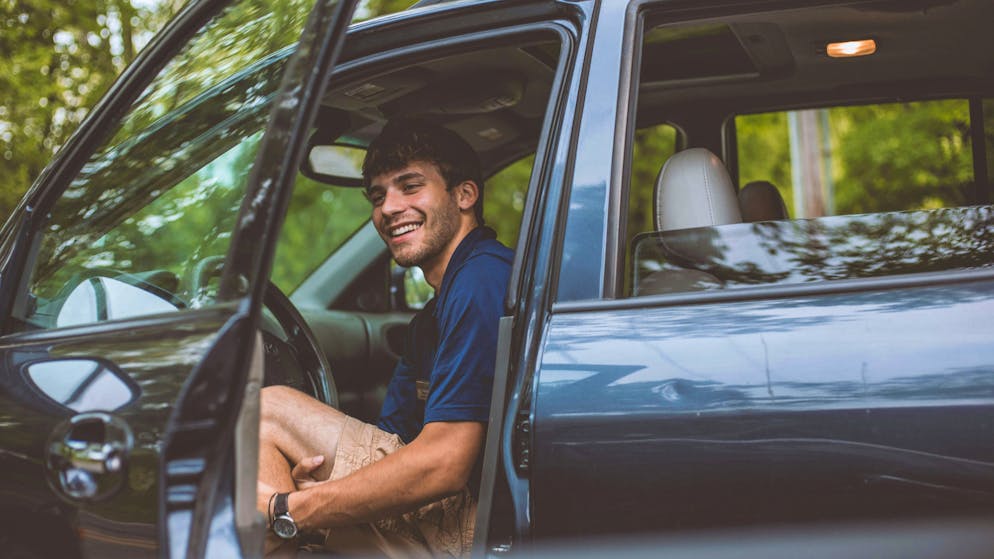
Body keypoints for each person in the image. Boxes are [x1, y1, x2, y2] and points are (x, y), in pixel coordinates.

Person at [257, 119, 513, 557]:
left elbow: (445, 464)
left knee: (263, 410)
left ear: (465, 195)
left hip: (484, 527)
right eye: (378, 196)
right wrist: (319, 491)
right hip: (455, 511)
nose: (389, 208)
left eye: (410, 187)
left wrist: (293, 509)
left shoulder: (483, 278)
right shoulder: (429, 319)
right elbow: (393, 442)